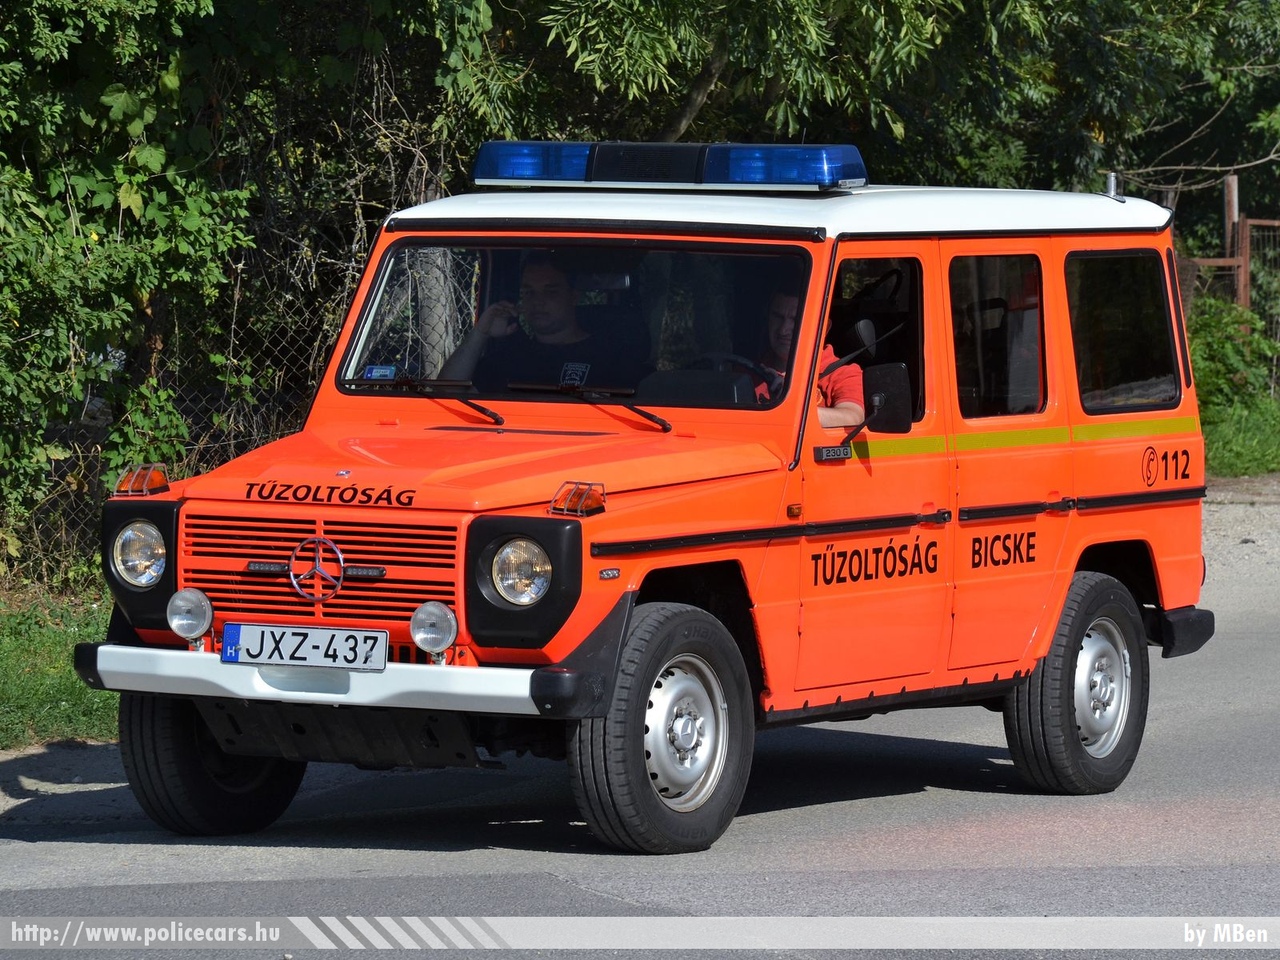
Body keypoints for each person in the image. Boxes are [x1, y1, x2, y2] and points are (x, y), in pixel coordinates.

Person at [440, 252, 645, 391]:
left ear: (573, 296)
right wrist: (480, 333)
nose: (537, 302)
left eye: (550, 291)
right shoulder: (509, 357)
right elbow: (447, 392)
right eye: (529, 292)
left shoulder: (610, 358)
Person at [757, 290, 865, 428]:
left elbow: (853, 418)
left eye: (795, 319)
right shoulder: (747, 369)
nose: (783, 330)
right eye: (777, 316)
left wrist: (786, 404)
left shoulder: (843, 374)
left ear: (823, 328)